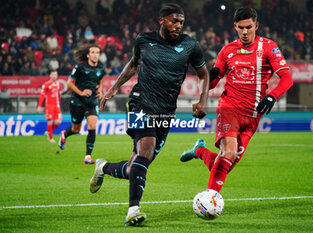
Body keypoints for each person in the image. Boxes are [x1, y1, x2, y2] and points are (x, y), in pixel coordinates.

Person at [89, 3, 209, 226]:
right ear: (161, 20)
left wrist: (203, 100)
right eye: (174, 21)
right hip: (140, 102)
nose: (178, 26)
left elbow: (203, 74)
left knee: (136, 165)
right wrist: (114, 88)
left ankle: (103, 167)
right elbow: (134, 64)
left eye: (181, 22)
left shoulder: (190, 45)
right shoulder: (144, 39)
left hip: (166, 111)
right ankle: (133, 210)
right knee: (145, 149)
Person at [180, 7, 293, 193]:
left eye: (249, 27)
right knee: (229, 153)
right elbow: (211, 84)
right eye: (241, 28)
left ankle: (199, 151)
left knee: (225, 165)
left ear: (256, 25)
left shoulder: (268, 47)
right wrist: (211, 76)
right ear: (235, 27)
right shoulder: (227, 50)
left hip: (253, 116)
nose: (245, 32)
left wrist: (272, 96)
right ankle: (210, 199)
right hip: (229, 108)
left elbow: (287, 78)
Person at [58, 45, 105, 164]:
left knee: (92, 126)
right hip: (77, 101)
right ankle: (65, 134)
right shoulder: (80, 67)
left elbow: (99, 82)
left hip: (92, 101)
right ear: (88, 55)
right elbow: (69, 84)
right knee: (76, 129)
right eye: (93, 52)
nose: (95, 54)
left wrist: (100, 91)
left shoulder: (101, 68)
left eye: (97, 52)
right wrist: (81, 93)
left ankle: (88, 156)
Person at [37, 70, 62, 143]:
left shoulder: (58, 83)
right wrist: (39, 106)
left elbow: (58, 93)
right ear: (50, 75)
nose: (54, 76)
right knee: (50, 121)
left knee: (58, 121)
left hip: (56, 105)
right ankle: (51, 137)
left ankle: (49, 131)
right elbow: (42, 96)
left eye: (56, 74)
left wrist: (59, 101)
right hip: (49, 105)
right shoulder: (46, 84)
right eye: (53, 74)